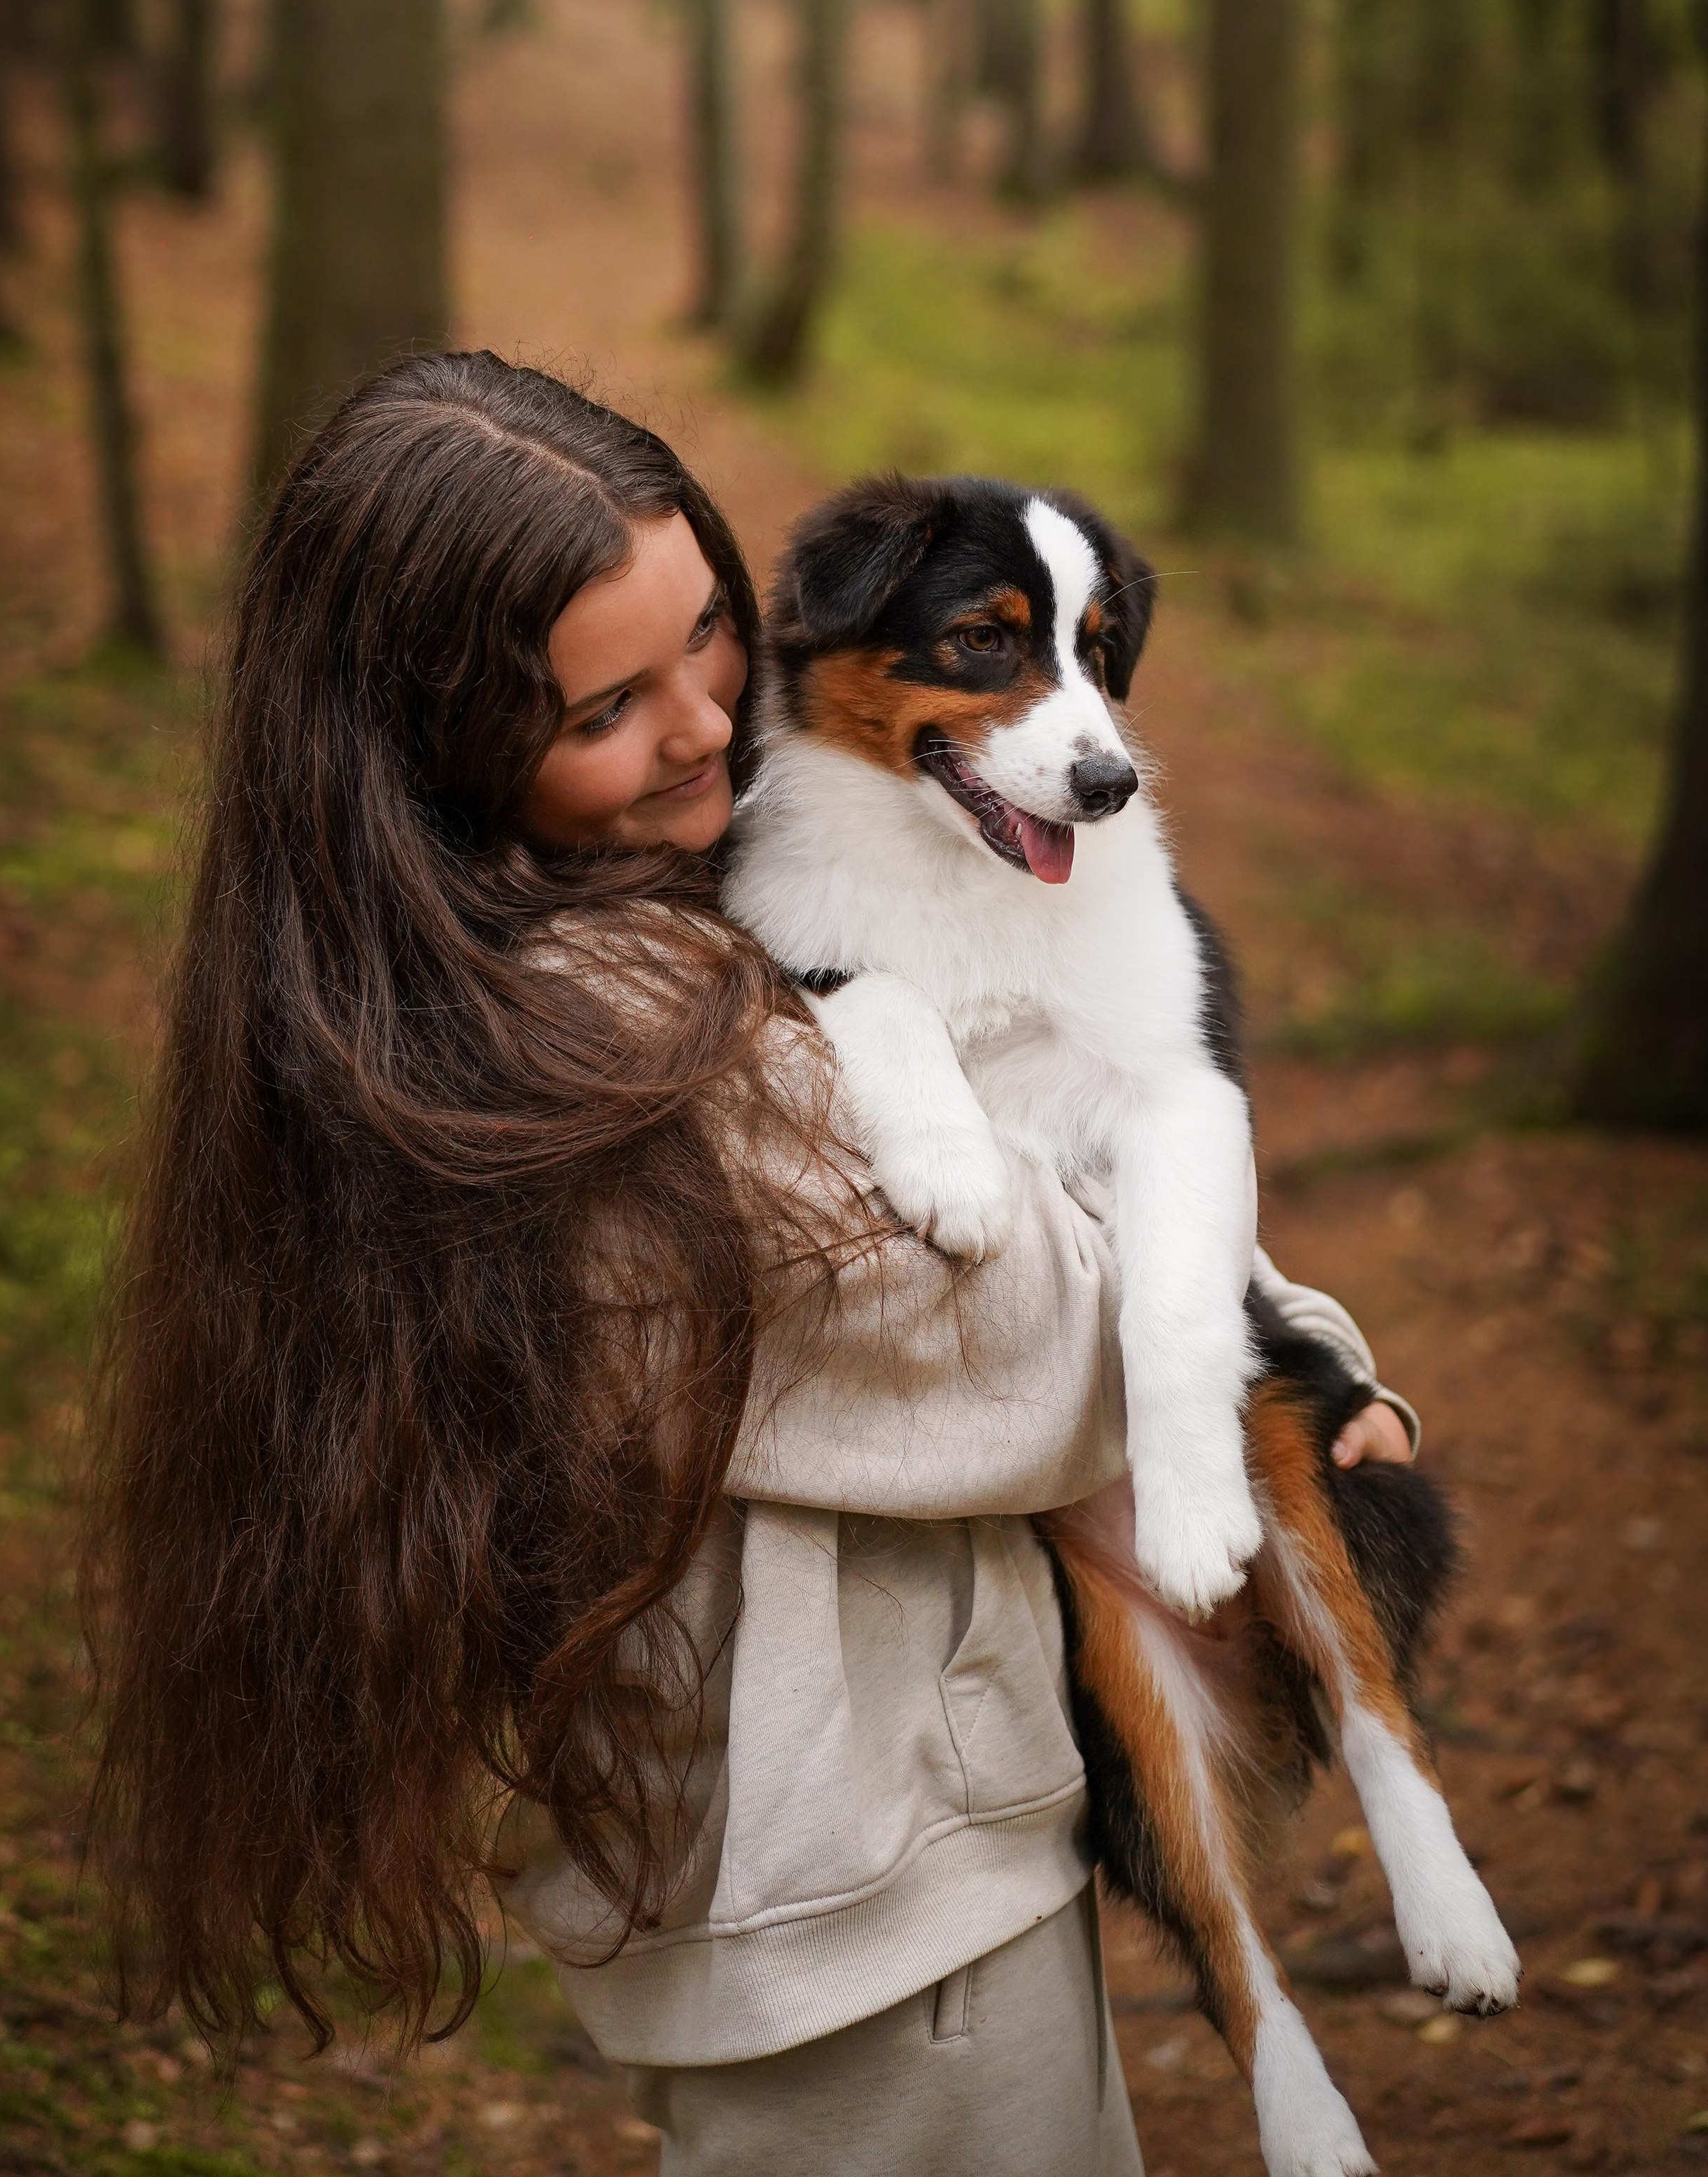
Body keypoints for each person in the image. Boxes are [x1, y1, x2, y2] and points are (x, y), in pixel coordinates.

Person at [85, 353, 1416, 2177]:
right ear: (439, 747)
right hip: (872, 1902)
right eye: (607, 708)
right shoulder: (621, 1050)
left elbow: (1094, 1133)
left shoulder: (541, 935)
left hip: (831, 1865)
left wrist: (1308, 1348)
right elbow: (1026, 1364)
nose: (710, 722)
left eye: (709, 630)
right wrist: (1275, 1352)